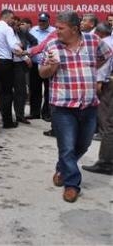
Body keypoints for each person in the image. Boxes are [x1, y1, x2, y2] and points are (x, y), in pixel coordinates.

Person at [39, 10, 112, 203]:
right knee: (67, 147)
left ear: (74, 28)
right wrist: (52, 67)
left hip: (88, 105)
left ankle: (62, 168)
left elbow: (106, 55)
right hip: (63, 106)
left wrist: (92, 68)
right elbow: (42, 73)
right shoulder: (53, 46)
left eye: (61, 28)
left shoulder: (93, 41)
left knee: (83, 144)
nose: (57, 31)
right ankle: (72, 184)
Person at [82, 23, 113, 175]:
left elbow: (104, 66)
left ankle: (106, 162)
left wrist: (98, 82)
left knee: (107, 123)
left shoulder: (105, 44)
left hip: (108, 85)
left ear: (99, 34)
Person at [0, 9, 23, 128]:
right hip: (6, 64)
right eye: (12, 18)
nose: (13, 21)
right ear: (6, 17)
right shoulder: (8, 29)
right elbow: (13, 45)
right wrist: (21, 51)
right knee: (6, 93)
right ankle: (7, 121)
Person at [28, 13, 56, 120]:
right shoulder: (33, 30)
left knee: (49, 90)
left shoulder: (54, 31)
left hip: (48, 65)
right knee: (34, 89)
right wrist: (28, 57)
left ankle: (46, 113)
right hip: (35, 64)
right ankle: (34, 113)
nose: (41, 23)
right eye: (40, 20)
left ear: (48, 21)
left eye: (44, 21)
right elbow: (28, 45)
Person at [13, 17, 37, 124]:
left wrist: (27, 53)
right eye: (16, 25)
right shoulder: (7, 32)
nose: (18, 27)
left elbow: (34, 41)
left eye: (19, 25)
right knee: (5, 92)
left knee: (21, 91)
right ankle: (7, 116)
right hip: (8, 63)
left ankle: (20, 115)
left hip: (20, 64)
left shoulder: (23, 32)